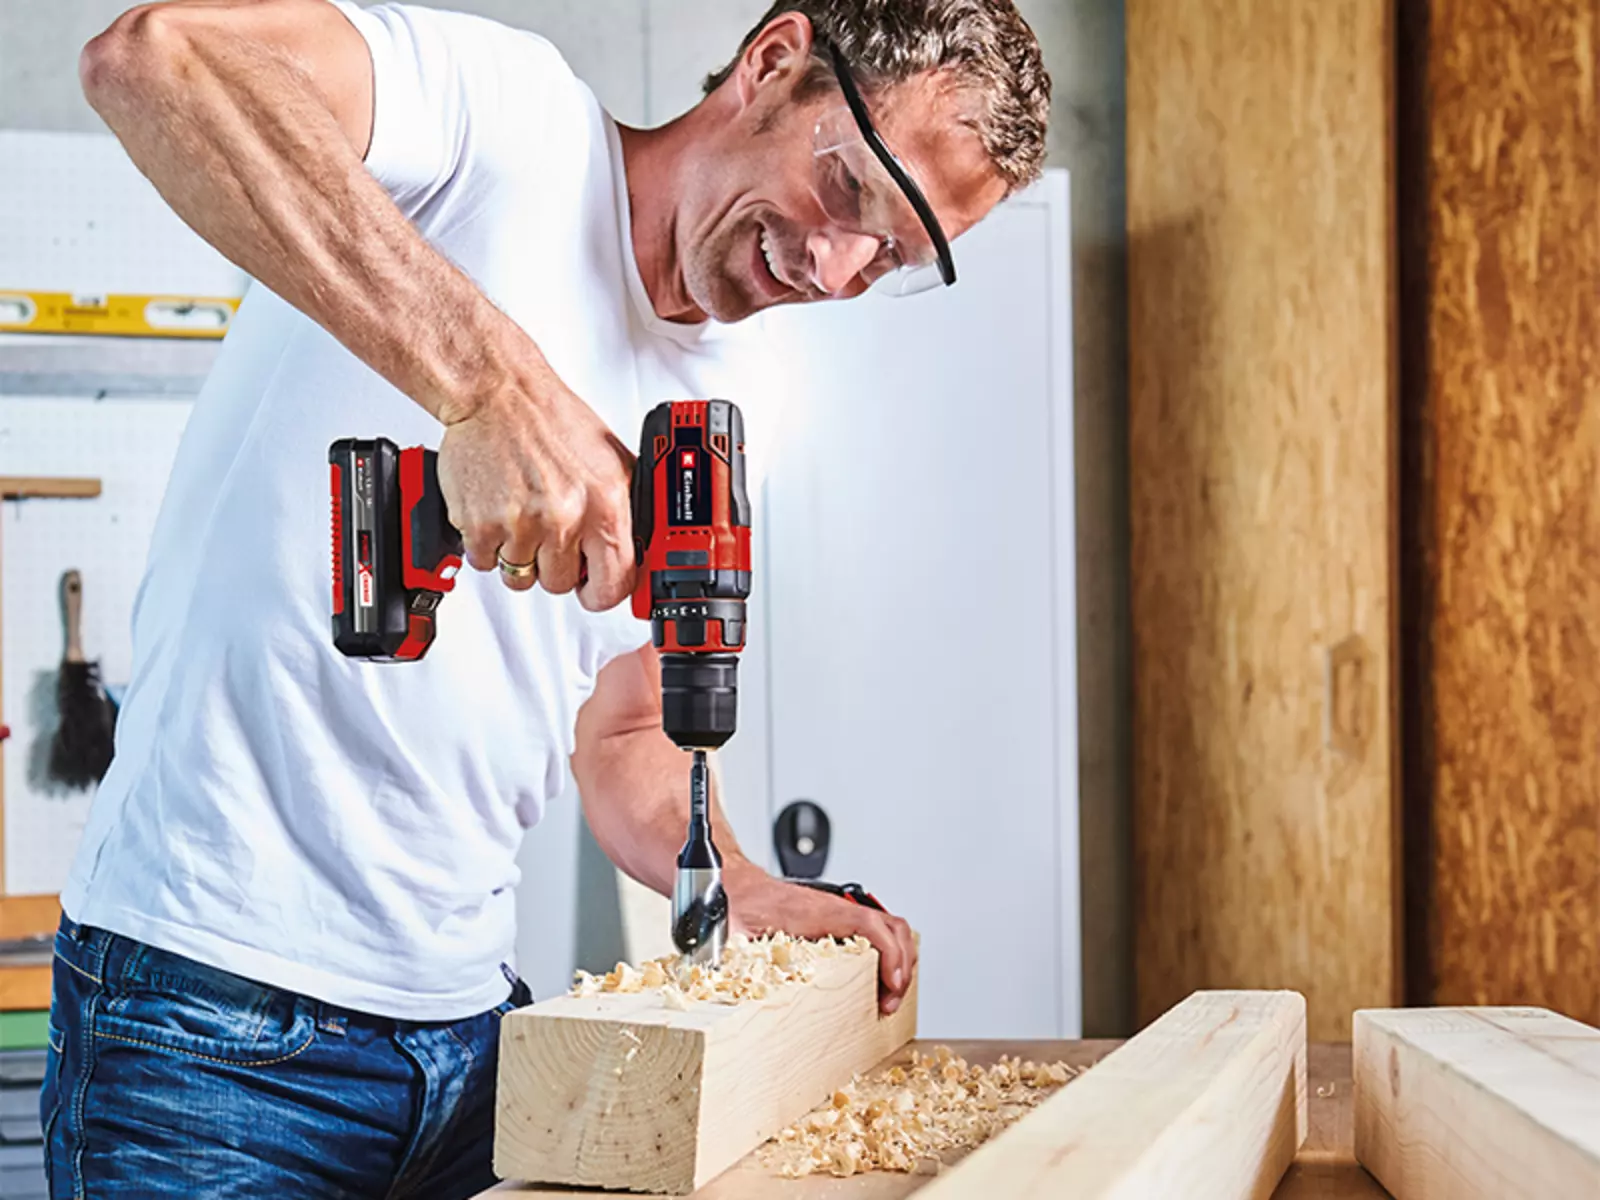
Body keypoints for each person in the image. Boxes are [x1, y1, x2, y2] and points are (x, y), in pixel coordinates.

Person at [42, 0, 1051, 1194]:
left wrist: (742, 884)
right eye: (845, 190)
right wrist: (487, 385)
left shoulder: (739, 398)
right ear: (775, 63)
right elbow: (157, 60)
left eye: (888, 254)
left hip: (478, 1034)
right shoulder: (506, 120)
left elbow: (623, 726)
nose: (833, 268)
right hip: (209, 1022)